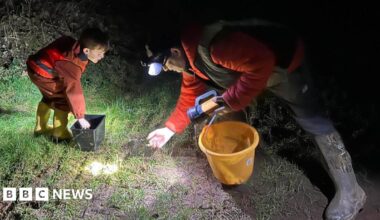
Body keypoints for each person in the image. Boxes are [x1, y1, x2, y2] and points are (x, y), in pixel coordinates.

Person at [144, 19, 366, 220]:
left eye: (164, 65)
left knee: (313, 120)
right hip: (257, 71)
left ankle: (351, 192)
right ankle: (242, 159)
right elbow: (188, 97)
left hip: (285, 63)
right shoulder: (189, 61)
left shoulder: (216, 46)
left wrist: (230, 100)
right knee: (228, 103)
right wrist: (169, 129)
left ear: (174, 51)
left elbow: (263, 62)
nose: (168, 70)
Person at [26, 27, 109, 141]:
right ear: (86, 51)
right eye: (99, 53)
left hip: (35, 66)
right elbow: (74, 91)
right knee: (64, 101)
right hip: (42, 73)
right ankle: (60, 135)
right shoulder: (71, 65)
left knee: (50, 97)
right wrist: (80, 117)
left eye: (103, 53)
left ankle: (41, 128)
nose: (102, 56)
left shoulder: (71, 43)